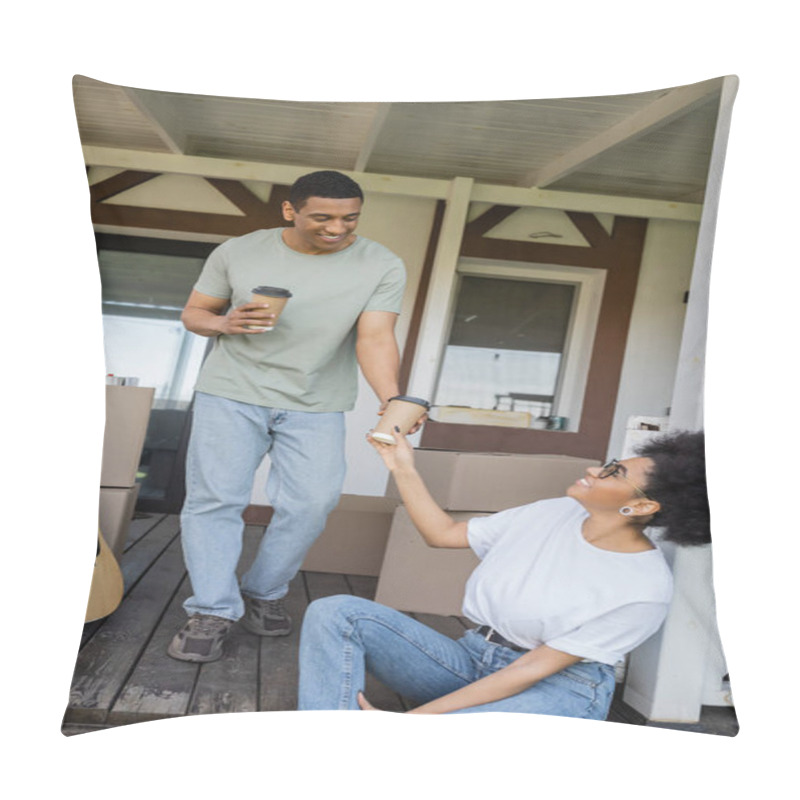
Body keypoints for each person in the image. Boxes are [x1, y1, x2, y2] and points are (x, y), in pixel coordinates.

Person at [168, 170, 414, 663]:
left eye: (349, 218)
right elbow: (195, 313)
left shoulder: (381, 264)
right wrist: (223, 322)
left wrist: (392, 400)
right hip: (232, 392)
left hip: (317, 400)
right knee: (216, 500)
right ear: (290, 211)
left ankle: (263, 590)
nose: (337, 228)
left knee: (313, 502)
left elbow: (374, 337)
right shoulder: (238, 251)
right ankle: (213, 610)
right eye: (322, 217)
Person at [297, 429, 710, 717]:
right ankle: (331, 743)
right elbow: (444, 534)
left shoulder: (644, 587)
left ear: (641, 507)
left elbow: (529, 671)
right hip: (472, 659)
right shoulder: (554, 511)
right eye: (610, 463)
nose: (594, 470)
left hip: (559, 689)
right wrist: (401, 465)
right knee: (337, 612)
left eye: (613, 473)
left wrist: (412, 723)